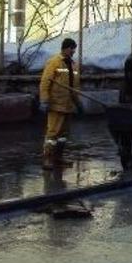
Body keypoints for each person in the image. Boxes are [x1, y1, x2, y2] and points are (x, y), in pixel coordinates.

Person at [39, 38, 82, 170]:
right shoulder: (54, 62)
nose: (73, 51)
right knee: (53, 134)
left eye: (74, 48)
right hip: (56, 104)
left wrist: (78, 102)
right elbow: (45, 82)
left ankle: (58, 158)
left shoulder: (74, 65)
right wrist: (44, 100)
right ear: (65, 48)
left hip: (68, 105)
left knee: (63, 135)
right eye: (71, 48)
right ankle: (47, 159)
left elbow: (75, 85)